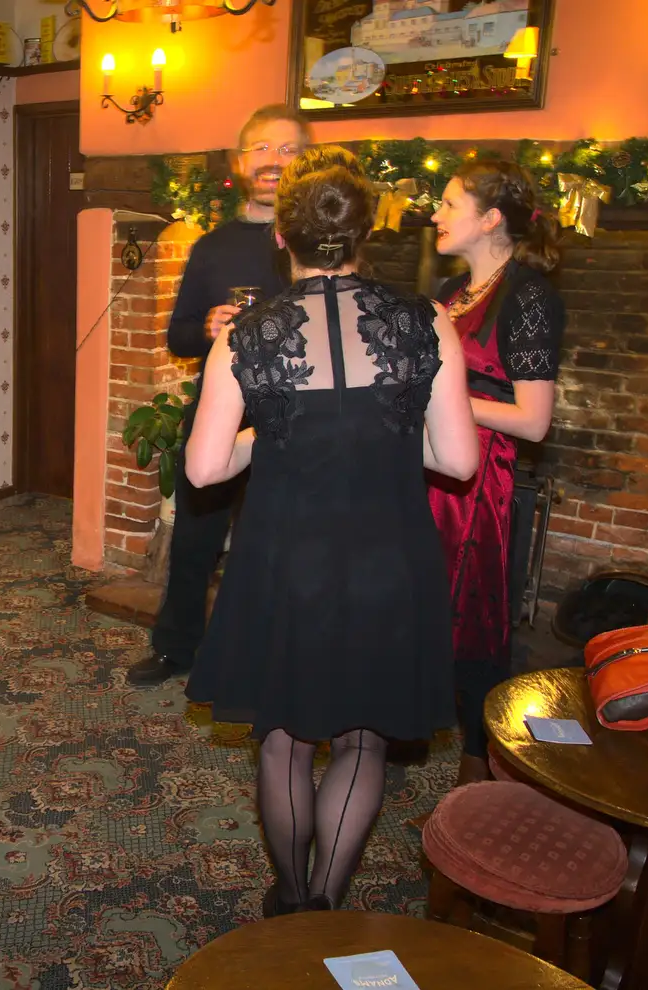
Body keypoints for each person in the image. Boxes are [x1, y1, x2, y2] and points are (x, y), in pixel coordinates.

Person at [183, 151, 479, 915]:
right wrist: (375, 432)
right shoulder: (427, 322)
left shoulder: (246, 334)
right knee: (362, 738)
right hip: (388, 559)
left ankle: (289, 896)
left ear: (283, 236)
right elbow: (457, 458)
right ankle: (327, 896)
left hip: (286, 560)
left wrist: (279, 435)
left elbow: (207, 469)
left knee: (283, 738)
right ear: (368, 231)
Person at [127, 104, 311, 687]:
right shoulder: (211, 246)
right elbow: (176, 335)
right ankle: (176, 647)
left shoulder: (318, 246)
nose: (273, 162)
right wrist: (205, 326)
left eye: (287, 150)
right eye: (261, 148)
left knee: (279, 543)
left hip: (293, 418)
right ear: (240, 161)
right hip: (219, 414)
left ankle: (267, 655)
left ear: (306, 161)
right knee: (194, 540)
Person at [428, 160, 566, 785]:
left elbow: (534, 421)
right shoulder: (451, 293)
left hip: (482, 481)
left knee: (474, 615)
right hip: (432, 466)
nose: (435, 212)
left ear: (489, 220)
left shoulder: (529, 295)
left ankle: (477, 765)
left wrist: (442, 397)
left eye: (449, 203)